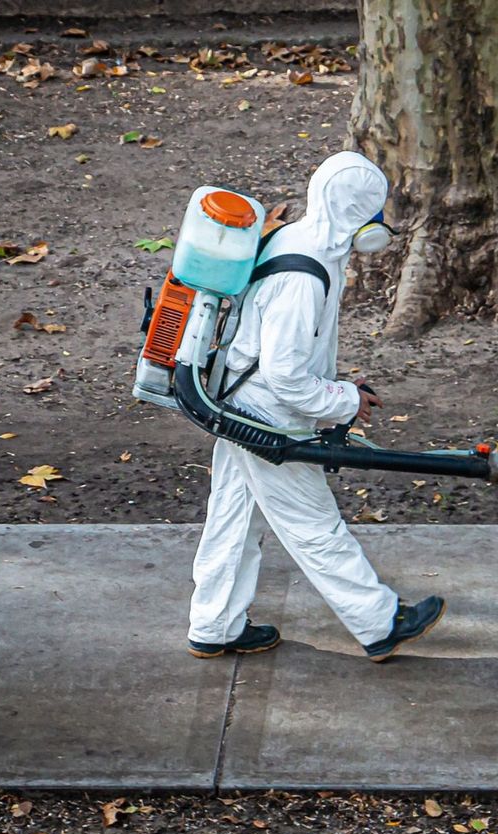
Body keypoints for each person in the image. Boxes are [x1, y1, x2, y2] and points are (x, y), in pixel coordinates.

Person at [186, 151, 445, 663]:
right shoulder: (305, 276)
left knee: (233, 518)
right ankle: (379, 623)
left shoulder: (295, 239)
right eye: (373, 209)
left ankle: (213, 625)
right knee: (313, 523)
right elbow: (284, 374)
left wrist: (337, 389)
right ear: (356, 213)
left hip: (236, 399)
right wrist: (344, 400)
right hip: (263, 414)